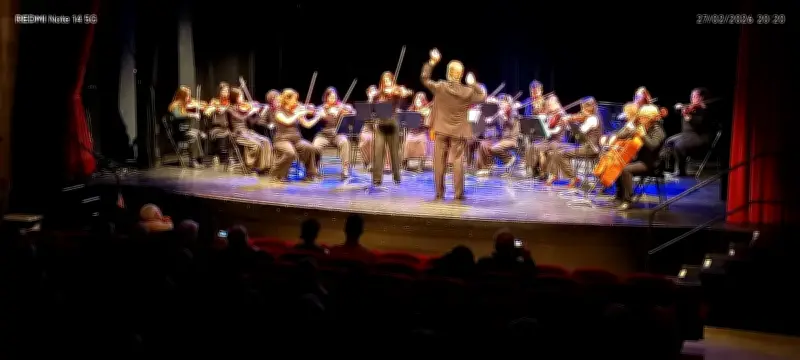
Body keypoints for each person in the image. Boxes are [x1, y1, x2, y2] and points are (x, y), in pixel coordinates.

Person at [421, 48, 486, 201]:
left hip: (441, 129)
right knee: (458, 161)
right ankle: (458, 194)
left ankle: (439, 193)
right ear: (461, 75)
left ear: (448, 73)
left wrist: (432, 62)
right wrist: (474, 83)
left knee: (439, 162)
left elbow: (424, 78)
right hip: (459, 131)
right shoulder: (467, 92)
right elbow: (482, 97)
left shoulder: (440, 87)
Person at [612, 104, 666, 210]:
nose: (640, 118)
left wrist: (643, 135)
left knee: (626, 169)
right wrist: (627, 128)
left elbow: (653, 146)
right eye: (640, 116)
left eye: (643, 117)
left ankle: (628, 200)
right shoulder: (641, 126)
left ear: (650, 118)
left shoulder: (658, 131)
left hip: (651, 164)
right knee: (618, 163)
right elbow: (621, 135)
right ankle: (619, 196)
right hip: (640, 160)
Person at [546, 96, 602, 187]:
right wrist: (570, 121)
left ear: (590, 108)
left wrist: (570, 120)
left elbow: (580, 132)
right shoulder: (588, 117)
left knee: (563, 154)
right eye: (582, 107)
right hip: (585, 146)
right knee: (557, 149)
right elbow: (577, 129)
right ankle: (554, 175)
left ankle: (573, 177)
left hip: (591, 149)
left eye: (583, 108)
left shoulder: (592, 119)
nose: (582, 110)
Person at [369, 71, 413, 186]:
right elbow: (372, 107)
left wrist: (402, 91)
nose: (387, 82)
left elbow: (407, 93)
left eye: (389, 80)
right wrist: (373, 96)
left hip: (393, 124)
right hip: (380, 125)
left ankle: (397, 177)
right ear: (382, 82)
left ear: (392, 81)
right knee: (378, 152)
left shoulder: (396, 91)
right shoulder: (378, 94)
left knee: (394, 152)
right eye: (385, 81)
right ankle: (377, 179)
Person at [270, 89, 319, 181]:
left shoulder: (296, 110)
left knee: (309, 147)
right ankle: (277, 174)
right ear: (287, 100)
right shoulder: (278, 111)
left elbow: (307, 124)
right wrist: (298, 114)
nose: (297, 102)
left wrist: (317, 117)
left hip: (297, 140)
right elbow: (287, 121)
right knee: (290, 153)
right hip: (282, 140)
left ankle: (310, 174)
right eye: (295, 99)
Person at [663, 88, 712, 176]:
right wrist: (678, 107)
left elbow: (700, 124)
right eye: (691, 96)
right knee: (669, 141)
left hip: (699, 136)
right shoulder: (689, 107)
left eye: (695, 96)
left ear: (701, 97)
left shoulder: (704, 110)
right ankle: (669, 168)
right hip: (686, 135)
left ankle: (681, 171)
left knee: (679, 145)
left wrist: (690, 118)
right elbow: (676, 111)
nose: (692, 98)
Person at [311, 87, 355, 179]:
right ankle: (315, 168)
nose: (333, 99)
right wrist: (324, 115)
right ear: (326, 98)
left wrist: (348, 109)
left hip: (337, 135)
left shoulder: (340, 107)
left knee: (345, 142)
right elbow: (315, 114)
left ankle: (345, 169)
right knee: (315, 146)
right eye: (330, 97)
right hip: (323, 135)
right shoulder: (321, 108)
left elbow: (353, 111)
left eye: (334, 97)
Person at [228, 88, 273, 174]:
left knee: (266, 141)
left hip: (247, 132)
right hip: (238, 134)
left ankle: (264, 167)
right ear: (234, 97)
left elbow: (252, 122)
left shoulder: (242, 108)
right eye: (240, 96)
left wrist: (260, 114)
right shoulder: (230, 109)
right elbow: (240, 117)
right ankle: (250, 166)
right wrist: (251, 111)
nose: (242, 98)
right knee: (256, 145)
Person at [476, 94, 520, 175]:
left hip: (510, 139)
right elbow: (491, 122)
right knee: (483, 144)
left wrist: (504, 117)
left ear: (508, 103)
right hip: (501, 139)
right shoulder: (499, 112)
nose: (501, 105)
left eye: (503, 103)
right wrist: (487, 119)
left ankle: (509, 158)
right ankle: (484, 168)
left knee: (494, 148)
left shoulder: (513, 112)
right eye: (500, 103)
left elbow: (511, 123)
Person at [525, 95, 567, 179]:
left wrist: (547, 130)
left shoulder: (561, 114)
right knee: (531, 146)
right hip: (548, 139)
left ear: (556, 103)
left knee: (540, 151)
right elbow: (542, 119)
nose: (549, 107)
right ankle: (534, 169)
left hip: (557, 140)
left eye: (550, 105)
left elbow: (556, 131)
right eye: (548, 105)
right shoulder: (550, 113)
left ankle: (543, 172)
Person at [168, 85, 205, 168]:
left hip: (185, 130)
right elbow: (178, 115)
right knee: (193, 135)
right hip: (179, 132)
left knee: (199, 133)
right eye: (187, 95)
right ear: (182, 96)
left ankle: (199, 158)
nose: (189, 97)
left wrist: (198, 107)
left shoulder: (183, 105)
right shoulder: (175, 105)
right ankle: (193, 160)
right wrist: (192, 114)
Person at [204, 82, 233, 167]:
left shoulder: (229, 103)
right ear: (219, 91)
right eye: (224, 91)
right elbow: (207, 113)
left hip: (228, 127)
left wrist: (227, 107)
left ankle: (224, 155)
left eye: (227, 91)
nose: (226, 93)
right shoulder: (214, 101)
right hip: (216, 127)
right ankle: (221, 155)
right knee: (223, 134)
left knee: (228, 133)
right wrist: (214, 108)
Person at [404, 92, 432, 171]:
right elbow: (406, 122)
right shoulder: (411, 109)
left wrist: (425, 117)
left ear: (423, 101)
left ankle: (420, 164)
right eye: (417, 100)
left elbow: (428, 125)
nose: (418, 101)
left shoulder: (427, 110)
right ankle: (406, 163)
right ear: (414, 101)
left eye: (420, 100)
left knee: (422, 141)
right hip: (412, 132)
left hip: (421, 132)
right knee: (408, 141)